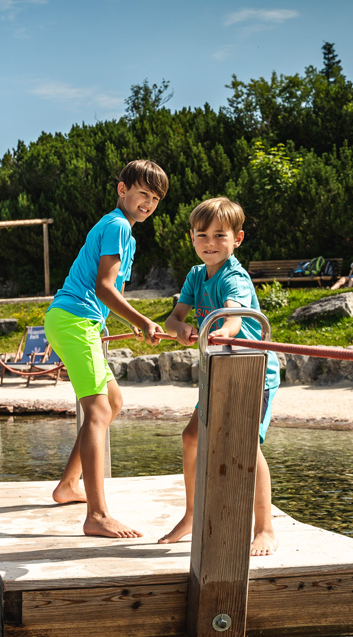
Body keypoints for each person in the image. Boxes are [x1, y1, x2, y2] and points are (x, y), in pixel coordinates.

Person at [45, 159, 168, 539]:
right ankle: (97, 515)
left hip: (79, 320)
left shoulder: (125, 233)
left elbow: (113, 293)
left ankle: (68, 486)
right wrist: (144, 321)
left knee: (111, 403)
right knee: (97, 408)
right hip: (73, 318)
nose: (148, 203)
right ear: (123, 190)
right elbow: (103, 287)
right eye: (143, 193)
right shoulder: (117, 225)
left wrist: (132, 322)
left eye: (155, 198)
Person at [158, 197, 279, 556]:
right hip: (217, 372)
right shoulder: (197, 275)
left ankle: (265, 528)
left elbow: (235, 317)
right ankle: (193, 513)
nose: (209, 243)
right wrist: (179, 327)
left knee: (247, 446)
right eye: (201, 235)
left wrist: (222, 329)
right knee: (192, 438)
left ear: (237, 238)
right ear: (191, 238)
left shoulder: (234, 276)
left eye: (219, 235)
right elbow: (173, 318)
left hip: (250, 373)